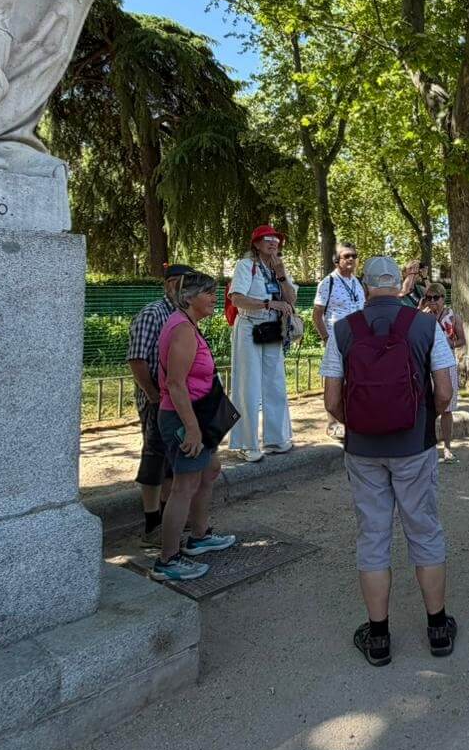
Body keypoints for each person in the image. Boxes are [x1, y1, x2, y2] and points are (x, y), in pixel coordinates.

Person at [322, 256, 459, 665]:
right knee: (425, 530)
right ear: (399, 283)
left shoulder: (343, 329)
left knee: (373, 537)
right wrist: (422, 421)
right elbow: (445, 392)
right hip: (414, 446)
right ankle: (438, 628)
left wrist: (360, 425)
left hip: (363, 451)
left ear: (365, 286)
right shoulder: (425, 326)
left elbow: (331, 400)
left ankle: (378, 637)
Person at [151, 272, 240, 583]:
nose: (215, 298)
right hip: (183, 418)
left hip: (197, 415)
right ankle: (167, 559)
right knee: (184, 486)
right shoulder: (181, 330)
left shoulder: (187, 325)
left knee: (209, 470)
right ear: (188, 298)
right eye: (208, 293)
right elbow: (175, 384)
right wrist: (191, 429)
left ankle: (199, 536)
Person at [126, 263, 193, 550]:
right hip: (157, 398)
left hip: (178, 399)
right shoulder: (153, 314)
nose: (182, 287)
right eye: (177, 281)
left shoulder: (184, 314)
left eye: (187, 282)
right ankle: (151, 522)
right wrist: (152, 395)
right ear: (167, 284)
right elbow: (137, 359)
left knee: (171, 459)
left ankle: (169, 517)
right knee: (154, 459)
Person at [225, 225, 298, 462]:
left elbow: (292, 299)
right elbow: (237, 299)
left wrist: (282, 275)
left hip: (272, 328)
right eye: (267, 239)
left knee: (275, 383)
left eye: (276, 239)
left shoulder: (279, 268)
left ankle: (276, 439)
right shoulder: (246, 266)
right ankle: (247, 443)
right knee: (248, 385)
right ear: (256, 244)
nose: (273, 242)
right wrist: (268, 304)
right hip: (249, 326)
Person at [314, 244, 366, 440]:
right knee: (335, 380)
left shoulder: (357, 283)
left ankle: (352, 419)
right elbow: (317, 315)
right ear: (337, 260)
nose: (351, 259)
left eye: (354, 256)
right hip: (337, 339)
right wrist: (326, 338)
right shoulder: (328, 282)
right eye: (347, 256)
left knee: (354, 381)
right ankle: (333, 423)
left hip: (359, 340)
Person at [422, 285, 466, 462]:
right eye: (429, 298)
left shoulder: (453, 316)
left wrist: (449, 343)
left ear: (443, 298)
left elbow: (462, 340)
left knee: (447, 407)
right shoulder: (422, 317)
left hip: (447, 364)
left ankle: (447, 448)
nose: (432, 301)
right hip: (426, 365)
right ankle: (428, 446)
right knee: (427, 407)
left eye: (436, 297)